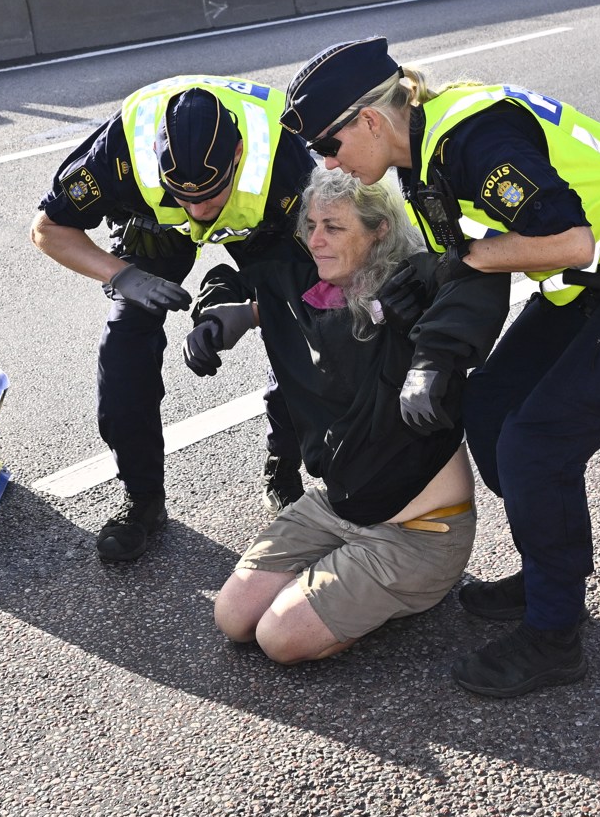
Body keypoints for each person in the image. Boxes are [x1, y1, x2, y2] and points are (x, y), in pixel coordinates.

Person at [279, 37, 600, 695]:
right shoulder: (419, 157)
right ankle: (548, 569)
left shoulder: (473, 140)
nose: (329, 162)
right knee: (490, 409)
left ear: (371, 120)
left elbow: (565, 240)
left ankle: (555, 635)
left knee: (534, 445)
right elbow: (468, 267)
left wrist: (468, 260)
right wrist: (431, 322)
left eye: (331, 144)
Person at [185, 166, 510, 663]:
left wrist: (430, 355)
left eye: (333, 227)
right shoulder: (315, 284)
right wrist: (223, 310)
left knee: (279, 639)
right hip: (337, 503)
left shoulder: (414, 283)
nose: (315, 240)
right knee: (232, 617)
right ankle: (334, 586)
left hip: (417, 533)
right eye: (311, 226)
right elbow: (248, 273)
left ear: (378, 230)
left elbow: (472, 282)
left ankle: (396, 594)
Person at [29, 76, 315, 563]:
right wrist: (122, 276)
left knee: (295, 329)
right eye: (184, 194)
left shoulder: (288, 159)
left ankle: (283, 470)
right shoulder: (118, 152)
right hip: (156, 225)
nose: (199, 211)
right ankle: (143, 502)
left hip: (263, 219)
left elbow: (330, 283)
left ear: (240, 153)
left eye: (209, 194)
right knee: (122, 349)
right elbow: (47, 228)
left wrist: (249, 312)